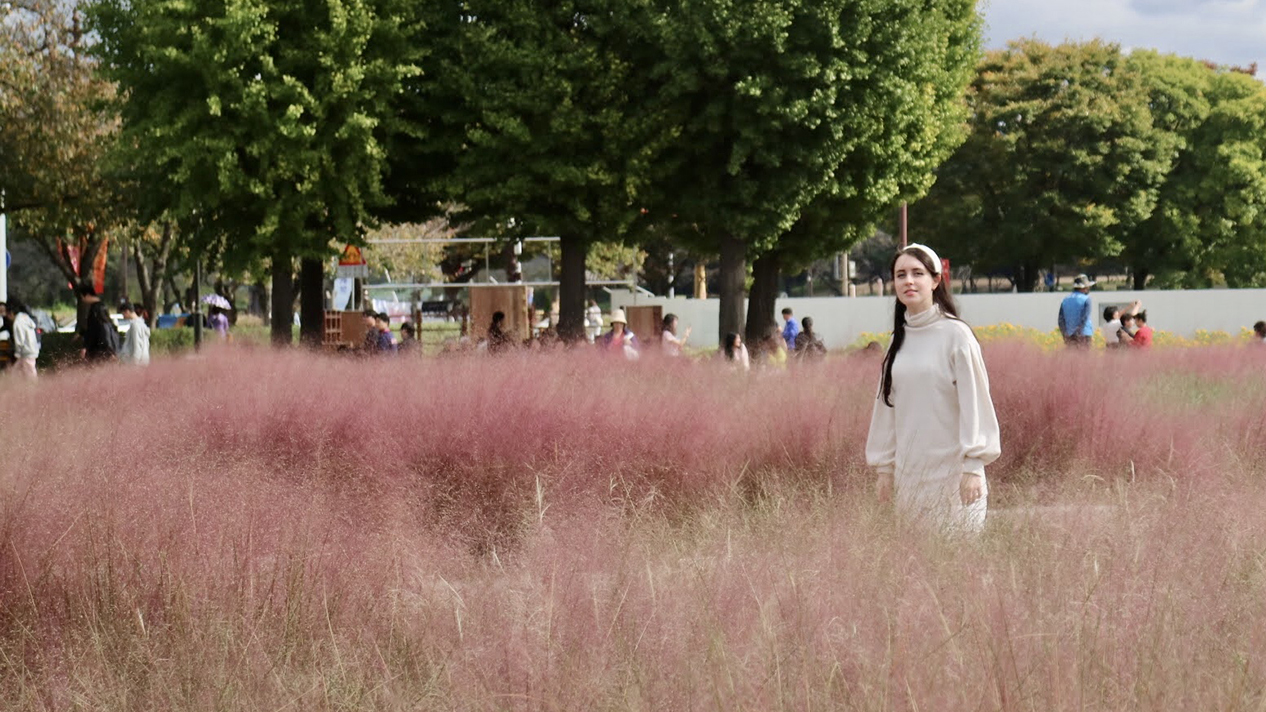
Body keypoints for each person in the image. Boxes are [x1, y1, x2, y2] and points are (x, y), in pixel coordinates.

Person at [865, 243, 1001, 534]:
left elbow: (975, 403)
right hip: (910, 477)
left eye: (917, 273)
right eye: (901, 275)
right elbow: (886, 409)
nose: (908, 281)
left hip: (955, 479)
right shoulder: (896, 341)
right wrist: (884, 470)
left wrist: (973, 467)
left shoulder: (957, 335)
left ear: (936, 280)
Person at [1057, 274, 1096, 348]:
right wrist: (1078, 332)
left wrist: (1065, 333)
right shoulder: (1086, 299)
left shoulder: (1065, 300)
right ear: (1084, 287)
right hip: (1084, 334)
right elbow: (1084, 318)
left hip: (1069, 334)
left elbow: (1061, 320)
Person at [7, 298, 39, 379]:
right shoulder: (25, 318)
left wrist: (17, 353)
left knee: (29, 374)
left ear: (11, 313)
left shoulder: (17, 323)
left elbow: (19, 340)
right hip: (31, 349)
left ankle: (34, 389)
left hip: (26, 352)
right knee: (16, 372)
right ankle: (19, 388)